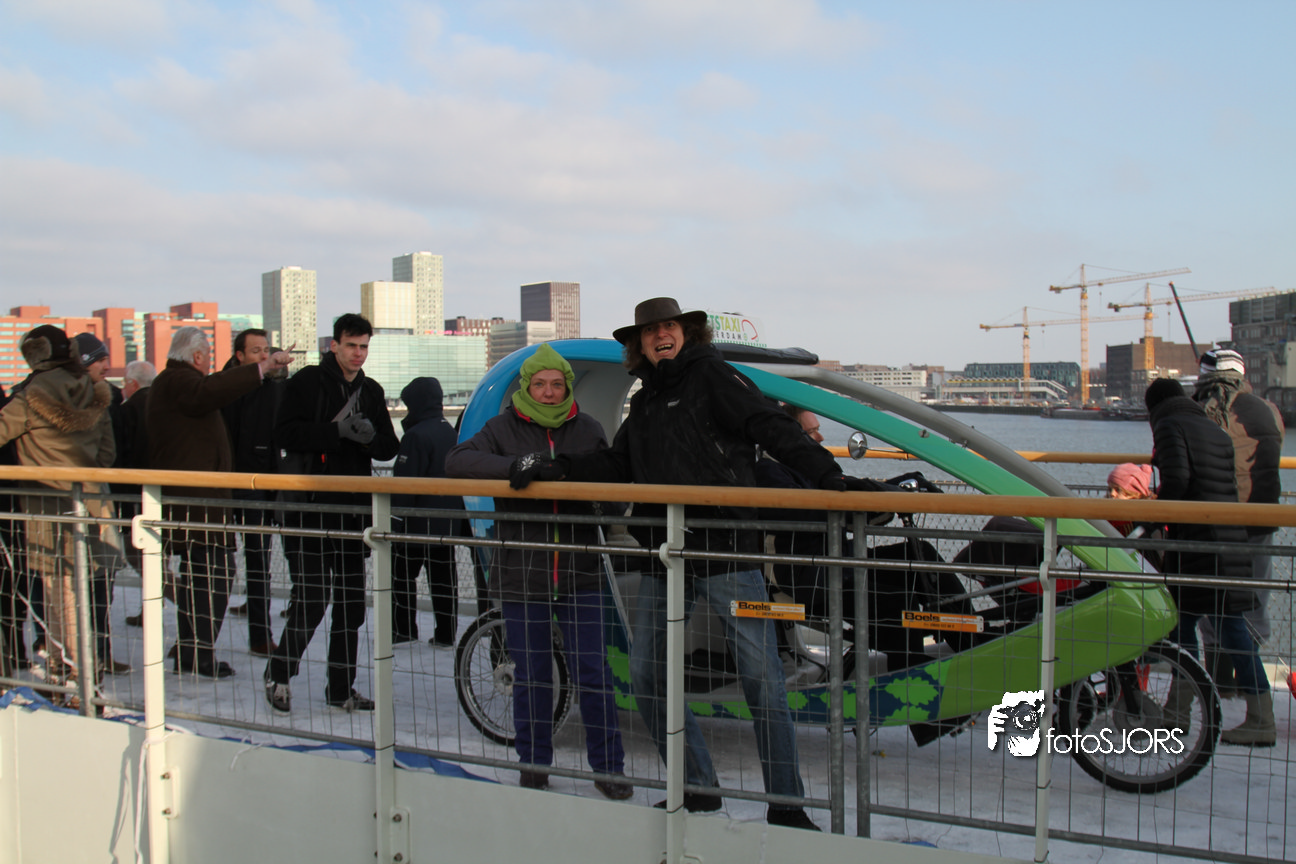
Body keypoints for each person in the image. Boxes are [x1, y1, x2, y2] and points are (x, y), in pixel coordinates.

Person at [511, 298, 884, 830]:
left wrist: (828, 476)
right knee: (647, 674)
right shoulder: (645, 402)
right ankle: (698, 787)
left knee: (761, 679)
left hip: (725, 548)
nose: (660, 336)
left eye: (669, 327)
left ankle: (786, 804)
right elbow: (617, 463)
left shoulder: (713, 376)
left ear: (687, 333)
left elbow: (768, 426)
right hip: (665, 553)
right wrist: (555, 467)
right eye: (650, 331)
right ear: (639, 345)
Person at [447, 344, 632, 800]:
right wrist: (517, 466)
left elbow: (613, 483)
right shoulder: (502, 428)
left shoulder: (587, 428)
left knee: (594, 672)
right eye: (539, 384)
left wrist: (593, 494)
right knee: (531, 674)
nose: (548, 392)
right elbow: (458, 461)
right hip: (522, 567)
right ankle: (533, 764)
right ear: (526, 387)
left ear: (567, 387)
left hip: (580, 567)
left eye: (556, 384)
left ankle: (609, 767)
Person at [264, 313, 399, 713]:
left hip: (352, 511)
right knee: (311, 598)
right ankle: (279, 674)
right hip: (308, 507)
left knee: (351, 605)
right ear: (334, 345)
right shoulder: (307, 382)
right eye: (351, 345)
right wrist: (335, 432)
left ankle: (340, 688)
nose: (358, 353)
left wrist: (370, 438)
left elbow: (388, 448)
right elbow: (283, 433)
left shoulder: (371, 391)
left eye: (364, 346)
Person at [147, 326, 295, 679]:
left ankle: (190, 649)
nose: (209, 362)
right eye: (208, 356)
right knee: (214, 573)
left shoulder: (173, 383)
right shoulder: (181, 381)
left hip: (201, 500)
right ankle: (197, 653)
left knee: (202, 574)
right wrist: (262, 369)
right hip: (198, 501)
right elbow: (208, 392)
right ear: (198, 356)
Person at [1144, 378, 1274, 747]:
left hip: (1196, 547)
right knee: (1232, 629)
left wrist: (1150, 518)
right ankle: (1259, 715)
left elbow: (1178, 480)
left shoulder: (1169, 425)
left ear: (1154, 407)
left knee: (1182, 628)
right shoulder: (1214, 429)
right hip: (1229, 542)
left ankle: (1179, 714)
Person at [0, 325, 116, 702]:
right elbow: (107, 455)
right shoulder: (95, 390)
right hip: (90, 507)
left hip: (45, 510)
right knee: (78, 593)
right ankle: (70, 670)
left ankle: (75, 676)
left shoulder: (29, 395)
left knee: (58, 595)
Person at [1191, 348, 1284, 694]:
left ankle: (1220, 685)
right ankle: (1251, 689)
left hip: (1216, 521)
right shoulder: (1268, 409)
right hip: (1261, 518)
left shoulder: (1202, 409)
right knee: (1253, 601)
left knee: (1214, 606)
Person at [221, 329, 287, 657]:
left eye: (266, 350)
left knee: (258, 560)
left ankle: (260, 635)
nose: (263, 355)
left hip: (261, 484)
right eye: (255, 350)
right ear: (239, 356)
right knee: (220, 562)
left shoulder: (272, 388)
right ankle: (196, 643)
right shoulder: (225, 387)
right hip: (228, 484)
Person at [391, 376, 464, 647]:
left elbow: (405, 484)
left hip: (416, 525)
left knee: (401, 576)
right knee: (444, 580)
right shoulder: (452, 433)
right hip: (447, 523)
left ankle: (403, 630)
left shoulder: (416, 435)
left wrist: (395, 521)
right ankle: (446, 633)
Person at [74, 332, 130, 675]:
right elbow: (109, 453)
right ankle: (91, 656)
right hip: (92, 499)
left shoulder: (103, 394)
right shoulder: (101, 397)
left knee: (91, 584)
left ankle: (92, 654)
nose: (106, 366)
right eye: (99, 360)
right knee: (91, 584)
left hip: (85, 501)